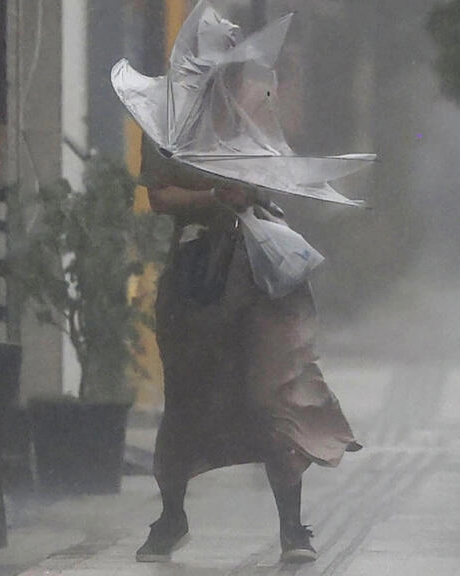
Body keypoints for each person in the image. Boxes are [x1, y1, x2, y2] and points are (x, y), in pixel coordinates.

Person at [134, 138, 361, 564]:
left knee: (273, 390)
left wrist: (253, 190)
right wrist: (217, 196)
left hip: (264, 270)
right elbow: (161, 197)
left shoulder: (251, 103)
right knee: (186, 397)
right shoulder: (166, 121)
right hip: (199, 272)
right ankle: (171, 517)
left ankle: (292, 526)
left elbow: (282, 175)